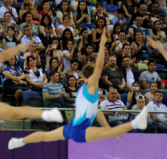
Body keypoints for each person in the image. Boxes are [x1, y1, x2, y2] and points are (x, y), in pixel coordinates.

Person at [9, 31, 149, 150]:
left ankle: (20, 141)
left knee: (46, 136)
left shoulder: (83, 90)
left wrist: (109, 129)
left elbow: (97, 111)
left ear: (82, 75)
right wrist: (101, 45)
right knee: (106, 132)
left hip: (71, 127)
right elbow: (99, 65)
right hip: (80, 130)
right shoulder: (89, 88)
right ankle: (135, 123)